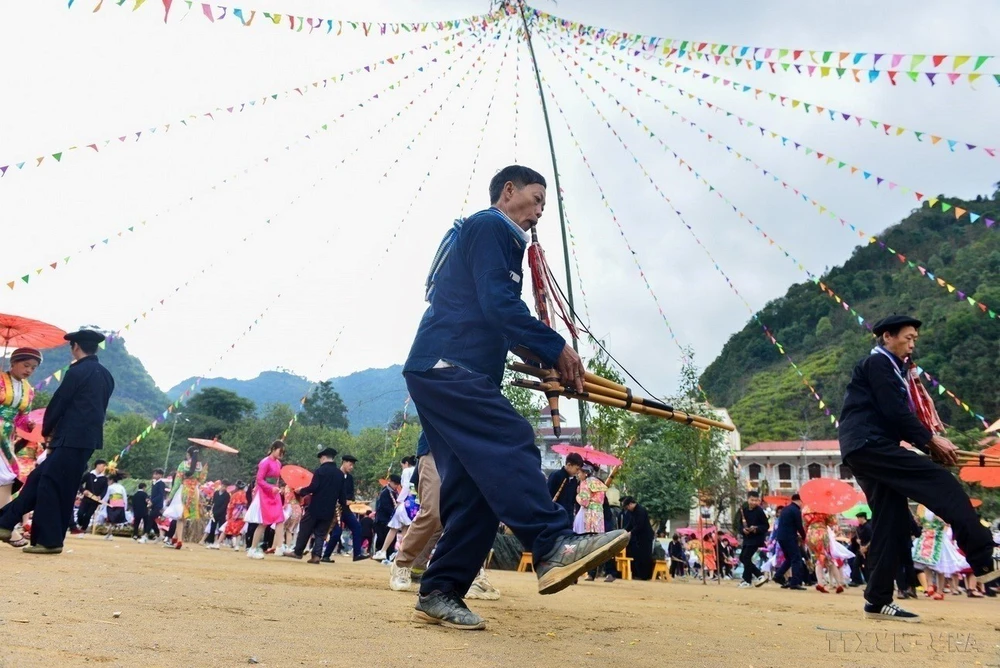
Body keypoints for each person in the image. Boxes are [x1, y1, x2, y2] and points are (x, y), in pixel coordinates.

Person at [403, 165, 629, 629]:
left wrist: (546, 361)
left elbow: (495, 315)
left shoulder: (488, 235)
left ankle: (441, 589)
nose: (539, 211)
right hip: (449, 365)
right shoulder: (491, 227)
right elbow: (499, 306)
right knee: (511, 439)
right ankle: (551, 544)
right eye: (536, 198)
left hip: (441, 369)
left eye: (545, 203)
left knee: (475, 488)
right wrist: (554, 346)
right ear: (509, 191)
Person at [838, 315, 999, 622]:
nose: (912, 344)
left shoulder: (895, 370)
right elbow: (895, 413)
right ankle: (983, 558)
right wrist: (929, 442)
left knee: (892, 521)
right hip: (870, 444)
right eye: (907, 337)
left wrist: (929, 442)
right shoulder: (878, 364)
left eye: (914, 339)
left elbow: (897, 416)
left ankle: (877, 599)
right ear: (887, 336)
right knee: (941, 481)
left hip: (867, 446)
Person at [0, 329, 115, 554]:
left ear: (76, 347)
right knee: (39, 478)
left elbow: (59, 403)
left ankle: (49, 541)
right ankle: (5, 523)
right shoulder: (106, 375)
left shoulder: (77, 371)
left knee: (51, 486)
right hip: (87, 441)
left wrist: (48, 430)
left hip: (68, 439)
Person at [390, 434, 500, 601]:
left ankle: (475, 576)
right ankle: (402, 563)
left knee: (464, 514)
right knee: (433, 512)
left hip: (468, 451)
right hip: (435, 448)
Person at [0, 347, 41, 547]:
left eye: (33, 368)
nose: (29, 370)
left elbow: (22, 418)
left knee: (7, 478)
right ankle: (7, 528)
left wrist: (28, 425)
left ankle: (6, 526)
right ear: (13, 362)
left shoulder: (29, 390)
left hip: (7, 437)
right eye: (26, 365)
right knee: (5, 477)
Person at [285, 447, 345, 564]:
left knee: (305, 526)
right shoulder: (340, 474)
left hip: (316, 506)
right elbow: (342, 494)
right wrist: (343, 507)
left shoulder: (320, 471)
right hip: (329, 508)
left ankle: (298, 551)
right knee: (321, 532)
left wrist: (301, 491)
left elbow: (313, 487)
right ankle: (316, 555)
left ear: (323, 457)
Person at [245, 441, 285, 560]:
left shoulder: (278, 463)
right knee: (263, 524)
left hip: (274, 494)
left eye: (283, 453)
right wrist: (271, 488)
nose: (281, 454)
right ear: (273, 449)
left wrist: (278, 489)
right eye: (280, 451)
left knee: (280, 519)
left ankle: (279, 546)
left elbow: (277, 480)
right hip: (264, 494)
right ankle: (252, 549)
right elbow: (259, 480)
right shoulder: (265, 462)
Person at [322, 454, 366, 562]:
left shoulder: (350, 478)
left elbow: (350, 493)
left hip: (346, 509)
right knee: (337, 532)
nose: (351, 467)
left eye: (353, 465)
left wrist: (349, 500)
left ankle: (357, 554)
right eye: (350, 464)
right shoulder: (335, 475)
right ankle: (326, 555)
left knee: (357, 527)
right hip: (335, 509)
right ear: (344, 462)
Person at [374, 455, 418, 561]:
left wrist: (399, 501)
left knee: (394, 527)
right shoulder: (419, 469)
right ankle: (400, 552)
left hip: (407, 502)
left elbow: (407, 486)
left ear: (406, 463)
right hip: (417, 503)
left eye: (402, 465)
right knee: (405, 529)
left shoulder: (407, 471)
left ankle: (383, 551)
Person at [164, 446, 206, 549]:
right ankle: (174, 538)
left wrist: (170, 496)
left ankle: (179, 540)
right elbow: (202, 480)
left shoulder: (183, 465)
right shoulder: (201, 466)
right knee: (184, 516)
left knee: (180, 517)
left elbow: (177, 482)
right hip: (194, 491)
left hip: (184, 490)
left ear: (188, 454)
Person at [771, 494, 806, 590]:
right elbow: (799, 526)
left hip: (781, 537)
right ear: (799, 501)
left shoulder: (785, 509)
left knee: (789, 559)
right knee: (796, 559)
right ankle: (794, 582)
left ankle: (778, 576)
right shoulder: (796, 510)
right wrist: (804, 537)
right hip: (789, 537)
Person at [736, 491, 770, 588]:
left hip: (756, 539)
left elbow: (765, 526)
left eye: (756, 500)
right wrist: (743, 530)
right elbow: (739, 525)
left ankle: (747, 580)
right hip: (747, 538)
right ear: (748, 499)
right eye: (752, 500)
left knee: (746, 557)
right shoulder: (744, 510)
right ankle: (759, 576)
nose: (754, 502)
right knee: (742, 558)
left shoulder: (759, 511)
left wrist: (756, 528)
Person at [621, 496, 654, 580]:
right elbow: (631, 524)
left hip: (646, 536)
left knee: (645, 556)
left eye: (627, 507)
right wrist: (623, 531)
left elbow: (640, 525)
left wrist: (630, 533)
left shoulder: (640, 511)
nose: (627, 509)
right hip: (639, 537)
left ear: (631, 504)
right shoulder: (633, 512)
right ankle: (639, 574)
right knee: (638, 556)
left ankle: (646, 576)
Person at [75, 459, 109, 533]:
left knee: (88, 515)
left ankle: (83, 529)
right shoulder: (89, 475)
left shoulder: (104, 478)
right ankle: (80, 524)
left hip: (95, 500)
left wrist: (100, 496)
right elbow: (79, 483)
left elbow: (105, 490)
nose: (103, 468)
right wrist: (83, 490)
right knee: (80, 513)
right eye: (103, 466)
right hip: (86, 498)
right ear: (97, 465)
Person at [547, 452, 583, 521]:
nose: (578, 472)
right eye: (577, 469)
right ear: (569, 465)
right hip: (556, 515)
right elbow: (548, 494)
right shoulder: (556, 476)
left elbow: (573, 501)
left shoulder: (574, 480)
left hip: (568, 516)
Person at [373, 475, 401, 559]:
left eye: (397, 484)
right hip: (382, 520)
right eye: (395, 483)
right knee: (382, 538)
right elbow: (385, 506)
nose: (396, 486)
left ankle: (389, 555)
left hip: (390, 519)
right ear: (390, 481)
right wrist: (395, 513)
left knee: (392, 539)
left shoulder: (396, 493)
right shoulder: (385, 492)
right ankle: (380, 552)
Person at [205, 480, 230, 549]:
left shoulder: (227, 495)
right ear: (221, 485)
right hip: (214, 512)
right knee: (212, 527)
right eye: (223, 486)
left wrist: (219, 512)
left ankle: (219, 542)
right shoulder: (216, 493)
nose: (224, 488)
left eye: (225, 487)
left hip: (222, 514)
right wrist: (212, 511)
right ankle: (210, 541)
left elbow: (225, 506)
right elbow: (213, 503)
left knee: (221, 528)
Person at [224, 481, 248, 550]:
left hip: (235, 513)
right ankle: (237, 545)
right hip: (243, 513)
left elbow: (231, 506)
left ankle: (219, 543)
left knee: (230, 528)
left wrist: (229, 514)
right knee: (240, 530)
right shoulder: (245, 494)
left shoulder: (234, 495)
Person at [149, 468, 167, 538]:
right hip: (153, 505)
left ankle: (145, 535)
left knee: (150, 518)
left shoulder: (161, 483)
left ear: (160, 475)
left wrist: (152, 501)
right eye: (154, 474)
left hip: (158, 505)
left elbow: (160, 495)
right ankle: (159, 534)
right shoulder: (154, 483)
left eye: (156, 474)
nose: (154, 475)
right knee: (152, 520)